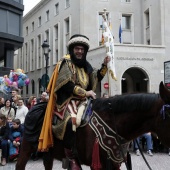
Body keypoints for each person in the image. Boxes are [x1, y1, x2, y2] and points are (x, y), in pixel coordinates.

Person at [38, 34, 110, 170]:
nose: (80, 51)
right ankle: (70, 158)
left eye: (82, 49)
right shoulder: (66, 63)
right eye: (77, 48)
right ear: (72, 49)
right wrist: (85, 92)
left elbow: (96, 78)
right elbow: (66, 84)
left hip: (85, 102)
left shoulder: (85, 66)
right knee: (72, 122)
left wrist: (104, 65)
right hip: (67, 102)